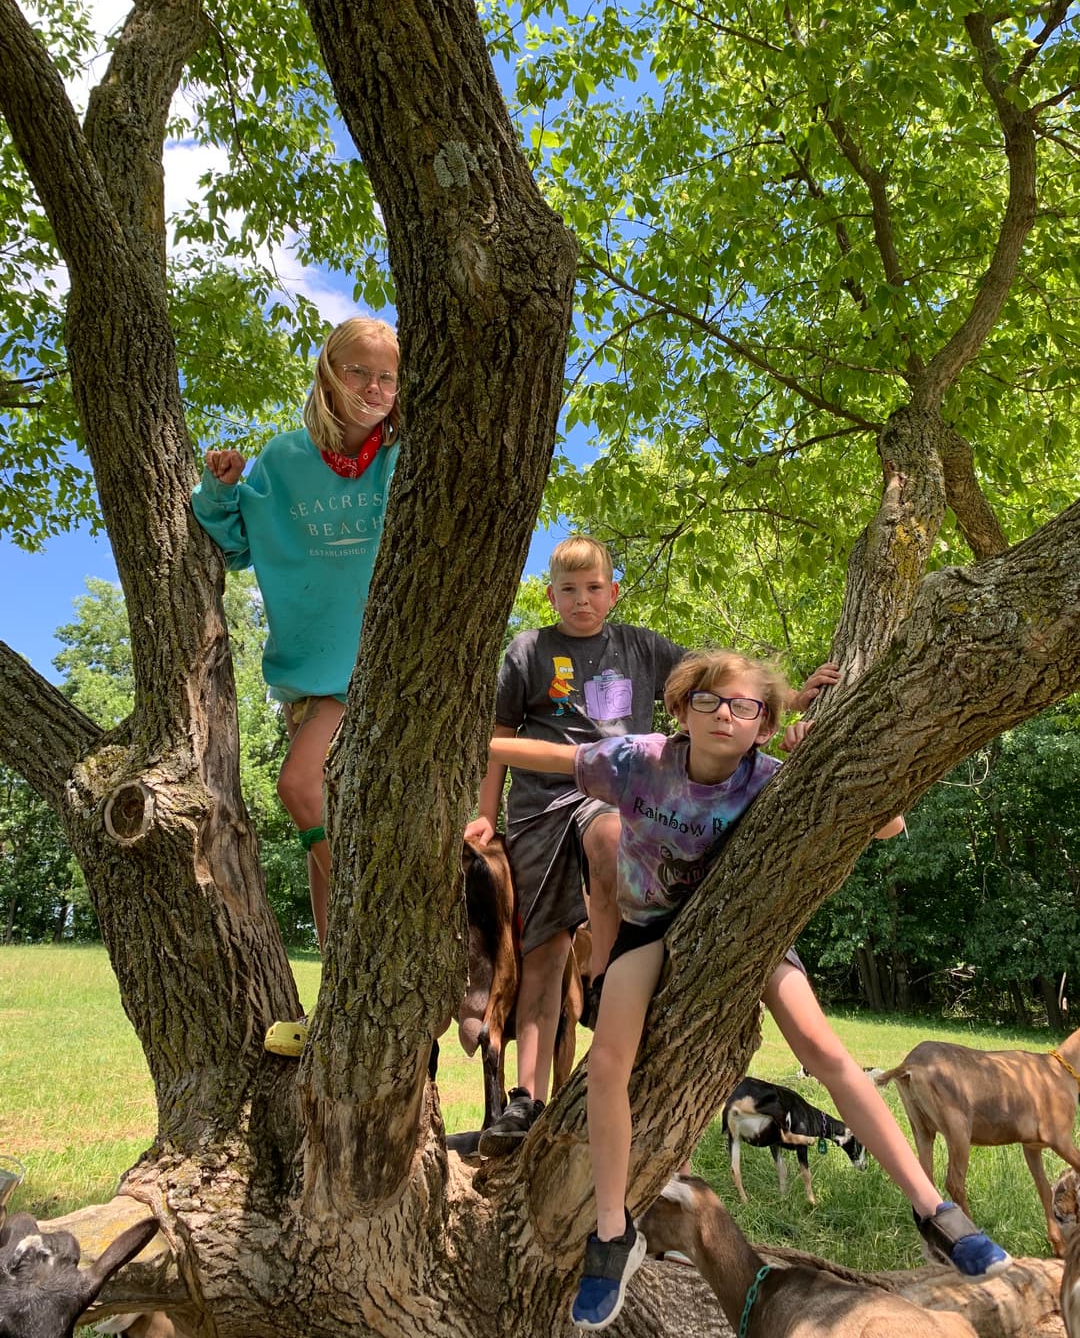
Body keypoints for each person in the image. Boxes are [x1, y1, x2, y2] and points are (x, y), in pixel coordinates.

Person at [489, 648, 1011, 1331]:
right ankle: (614, 1232)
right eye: (707, 700)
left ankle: (933, 1210)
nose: (724, 715)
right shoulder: (637, 761)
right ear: (680, 709)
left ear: (765, 725)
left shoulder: (771, 779)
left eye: (745, 706)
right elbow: (550, 758)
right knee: (611, 1064)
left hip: (742, 934)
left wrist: (818, 753)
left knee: (824, 1050)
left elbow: (889, 823)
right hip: (647, 932)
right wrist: (468, 736)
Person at [467, 536, 837, 1155]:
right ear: (550, 593)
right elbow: (500, 734)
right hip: (540, 802)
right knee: (542, 953)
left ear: (613, 592)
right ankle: (523, 1102)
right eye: (567, 589)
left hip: (620, 786)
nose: (581, 600)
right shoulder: (528, 651)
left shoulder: (643, 646)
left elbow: (725, 683)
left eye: (593, 589)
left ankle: (609, 977)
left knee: (610, 836)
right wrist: (484, 815)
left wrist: (794, 698)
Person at [191, 315, 400, 1056]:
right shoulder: (283, 460)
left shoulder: (403, 456)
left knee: (297, 788)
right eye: (358, 372)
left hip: (382, 674)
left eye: (387, 377)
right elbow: (239, 545)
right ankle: (340, 998)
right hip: (309, 680)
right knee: (327, 844)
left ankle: (383, 946)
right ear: (327, 373)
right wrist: (217, 491)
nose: (373, 389)